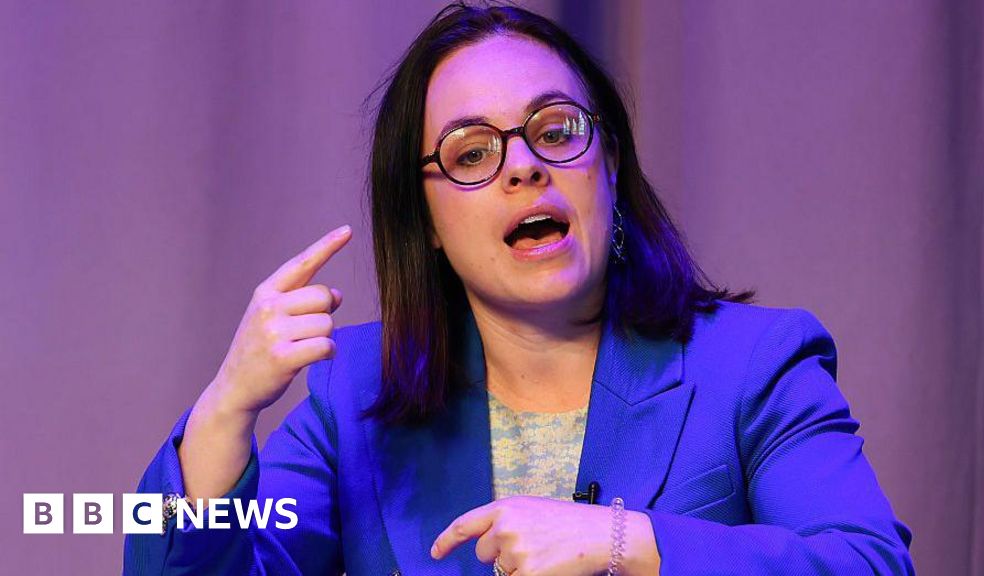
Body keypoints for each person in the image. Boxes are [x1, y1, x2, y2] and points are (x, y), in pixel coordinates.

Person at [123, 3, 915, 575]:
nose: (524, 166)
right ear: (426, 220)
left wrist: (627, 544)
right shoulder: (348, 399)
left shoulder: (754, 363)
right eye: (471, 154)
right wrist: (226, 410)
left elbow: (868, 564)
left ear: (607, 163)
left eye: (555, 131)